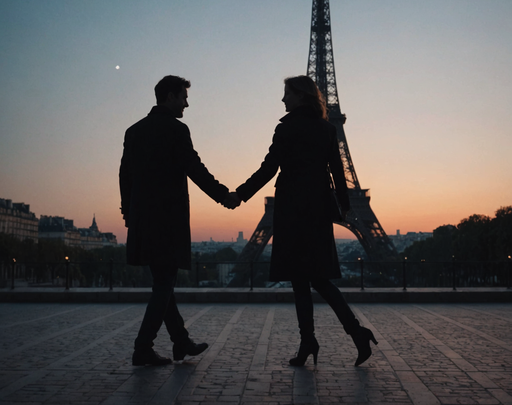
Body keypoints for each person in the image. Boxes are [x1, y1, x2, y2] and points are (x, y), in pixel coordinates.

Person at [226, 75, 377, 367]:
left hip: (292, 209)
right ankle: (353, 333)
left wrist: (240, 195)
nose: (283, 100)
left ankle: (311, 339)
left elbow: (268, 169)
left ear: (301, 96)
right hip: (318, 209)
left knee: (299, 280)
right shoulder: (327, 129)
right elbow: (337, 173)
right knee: (319, 278)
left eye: (286, 94)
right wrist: (343, 207)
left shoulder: (287, 128)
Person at [120, 75, 234, 366]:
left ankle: (181, 342)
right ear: (170, 96)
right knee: (164, 284)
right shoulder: (176, 129)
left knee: (163, 283)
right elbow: (194, 168)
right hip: (168, 221)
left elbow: (125, 177)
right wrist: (224, 196)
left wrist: (127, 212)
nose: (187, 102)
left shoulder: (133, 131)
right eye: (183, 96)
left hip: (143, 221)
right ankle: (142, 348)